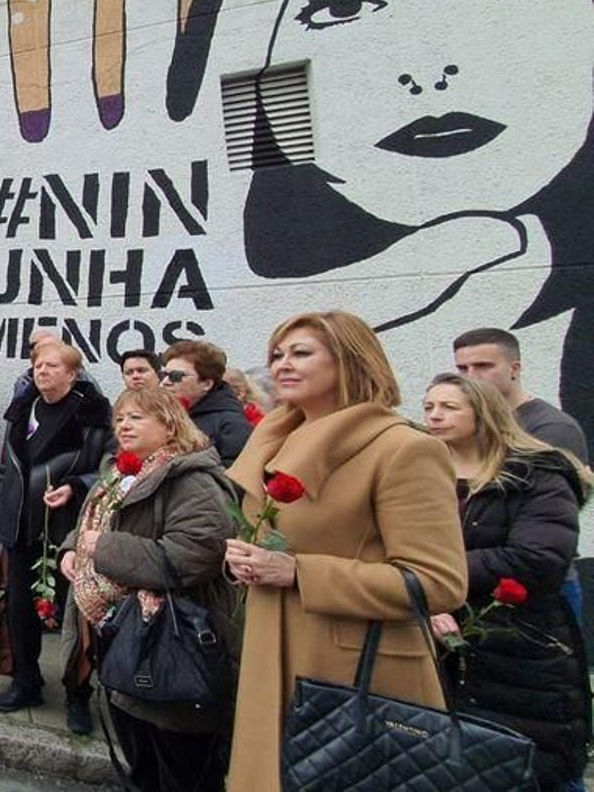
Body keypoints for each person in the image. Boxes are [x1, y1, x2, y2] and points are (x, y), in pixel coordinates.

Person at [223, 311, 467, 792]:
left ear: (350, 360)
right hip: (270, 656)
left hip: (353, 674)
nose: (282, 364)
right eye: (277, 354)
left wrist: (300, 573)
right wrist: (244, 562)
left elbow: (438, 582)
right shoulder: (273, 440)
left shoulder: (403, 449)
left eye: (301, 353)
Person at [57, 386, 239, 792]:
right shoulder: (122, 474)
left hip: (173, 649)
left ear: (170, 424)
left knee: (181, 771)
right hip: (129, 640)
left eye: (136, 417)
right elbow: (96, 521)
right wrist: (72, 548)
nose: (123, 425)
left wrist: (103, 549)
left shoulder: (193, 480)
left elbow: (193, 556)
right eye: (120, 418)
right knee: (142, 766)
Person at [422, 372, 591, 790]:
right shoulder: (422, 474)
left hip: (520, 641)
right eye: (429, 407)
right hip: (438, 642)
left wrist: (433, 574)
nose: (435, 416)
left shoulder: (535, 473)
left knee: (536, 762)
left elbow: (537, 558)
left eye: (449, 407)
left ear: (484, 412)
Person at [0, 338, 113, 726]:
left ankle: (78, 696)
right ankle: (26, 681)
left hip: (67, 533)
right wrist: (0, 515)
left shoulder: (91, 413)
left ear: (73, 373)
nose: (42, 371)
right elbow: (8, 469)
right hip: (21, 526)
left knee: (74, 617)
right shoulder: (23, 407)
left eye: (52, 366)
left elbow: (108, 470)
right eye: (38, 365)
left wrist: (76, 486)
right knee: (20, 611)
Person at [453, 327, 589, 464]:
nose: (471, 376)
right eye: (462, 368)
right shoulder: (464, 423)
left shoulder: (552, 427)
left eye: (483, 366)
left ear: (514, 369)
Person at [159, 340, 252, 466]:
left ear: (206, 384)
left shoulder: (232, 425)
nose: (165, 382)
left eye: (176, 376)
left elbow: (235, 474)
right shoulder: (163, 417)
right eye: (163, 375)